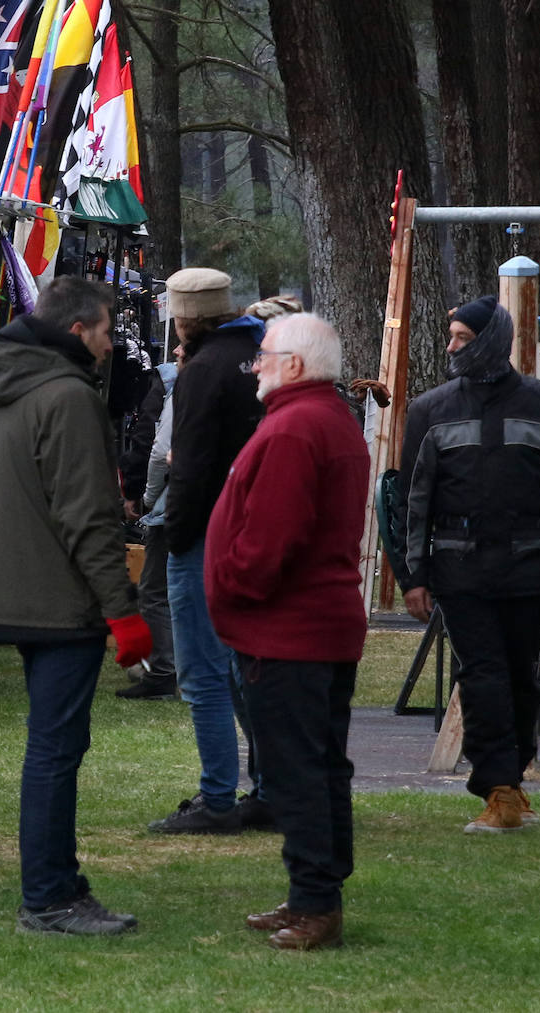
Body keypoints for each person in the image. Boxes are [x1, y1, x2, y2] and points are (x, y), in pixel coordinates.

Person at [0, 276, 153, 935]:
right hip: (61, 601)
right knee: (54, 750)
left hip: (18, 593)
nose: (110, 345)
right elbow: (90, 518)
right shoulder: (68, 396)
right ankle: (48, 897)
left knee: (53, 746)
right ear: (79, 330)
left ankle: (57, 884)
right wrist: (122, 609)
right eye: (106, 330)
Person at [206, 313, 369, 951]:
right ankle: (312, 892)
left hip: (288, 632)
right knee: (317, 766)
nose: (256, 366)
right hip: (308, 627)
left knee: (298, 770)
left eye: (264, 355)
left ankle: (317, 902)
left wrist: (233, 589)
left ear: (295, 365)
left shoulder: (298, 426)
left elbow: (269, 542)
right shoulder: (318, 420)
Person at [401, 294, 540, 833]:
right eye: (452, 336)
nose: (451, 347)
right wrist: (413, 577)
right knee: (482, 675)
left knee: (521, 679)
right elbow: (412, 502)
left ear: (490, 341)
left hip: (528, 568)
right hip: (459, 572)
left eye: (462, 337)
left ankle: (513, 781)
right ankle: (499, 789)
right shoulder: (429, 410)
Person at [149, 267, 270, 835]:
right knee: (248, 670)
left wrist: (175, 533)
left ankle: (218, 795)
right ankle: (270, 787)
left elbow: (192, 464)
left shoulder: (203, 370)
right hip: (260, 533)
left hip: (206, 535)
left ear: (185, 316)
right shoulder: (264, 352)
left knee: (203, 672)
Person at [117, 345, 183, 700]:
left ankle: (163, 671)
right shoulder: (242, 378)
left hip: (172, 502)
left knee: (156, 591)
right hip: (214, 504)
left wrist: (142, 495)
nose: (175, 348)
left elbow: (154, 448)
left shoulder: (173, 382)